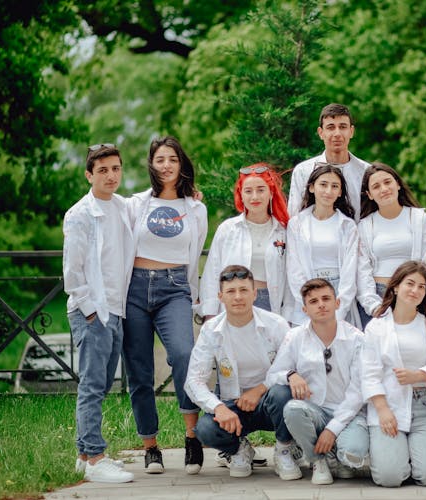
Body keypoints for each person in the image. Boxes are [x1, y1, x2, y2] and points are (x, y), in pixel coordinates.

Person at [123, 136, 208, 474]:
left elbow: (196, 249)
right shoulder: (135, 205)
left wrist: (196, 294)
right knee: (139, 370)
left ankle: (191, 438)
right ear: (151, 164)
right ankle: (151, 446)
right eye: (160, 159)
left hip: (174, 289)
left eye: (172, 159)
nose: (166, 165)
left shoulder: (195, 208)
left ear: (181, 164)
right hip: (135, 288)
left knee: (185, 355)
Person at [184, 265, 302, 480]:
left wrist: (259, 389)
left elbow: (292, 367)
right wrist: (218, 407)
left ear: (255, 293)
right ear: (221, 296)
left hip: (270, 402)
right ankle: (238, 449)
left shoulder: (275, 324)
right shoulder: (211, 330)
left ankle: (285, 449)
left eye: (244, 290)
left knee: (283, 393)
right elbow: (193, 380)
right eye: (230, 291)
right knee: (205, 429)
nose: (238, 297)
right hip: (234, 406)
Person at [63, 143, 134, 483]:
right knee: (92, 385)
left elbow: (154, 196)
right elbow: (72, 272)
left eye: (115, 168)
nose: (110, 175)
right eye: (102, 170)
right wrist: (91, 312)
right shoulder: (79, 214)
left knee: (104, 382)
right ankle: (95, 458)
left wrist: (187, 190)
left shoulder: (122, 207)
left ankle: (82, 455)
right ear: (89, 174)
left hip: (116, 310)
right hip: (92, 311)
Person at [268, 279, 368, 485]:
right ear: (305, 309)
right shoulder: (295, 336)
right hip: (315, 413)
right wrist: (290, 375)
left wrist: (333, 429)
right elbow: (272, 375)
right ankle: (318, 459)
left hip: (349, 414)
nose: (321, 304)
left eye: (326, 299)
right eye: (313, 301)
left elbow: (358, 391)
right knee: (293, 409)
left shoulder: (357, 338)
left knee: (353, 455)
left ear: (337, 303)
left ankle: (335, 452)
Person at [362, 261, 426, 487]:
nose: (415, 291)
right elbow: (369, 374)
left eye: (422, 287)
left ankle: (423, 453)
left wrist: (420, 375)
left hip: (423, 406)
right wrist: (382, 410)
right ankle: (400, 454)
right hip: (388, 404)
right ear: (394, 287)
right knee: (389, 478)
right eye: (410, 284)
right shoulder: (376, 327)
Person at [199, 163, 289, 321]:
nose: (255, 197)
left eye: (261, 190)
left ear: (271, 193)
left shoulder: (284, 232)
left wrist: (289, 318)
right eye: (248, 191)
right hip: (234, 304)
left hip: (272, 306)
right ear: (241, 195)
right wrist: (210, 315)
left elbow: (291, 281)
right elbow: (212, 274)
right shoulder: (228, 229)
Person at [357, 162, 426, 328]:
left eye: (388, 182)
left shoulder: (419, 218)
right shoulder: (364, 225)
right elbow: (362, 271)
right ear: (369, 194)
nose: (384, 189)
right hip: (378, 296)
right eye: (376, 186)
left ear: (398, 184)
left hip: (413, 294)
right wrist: (374, 307)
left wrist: (420, 298)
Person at [286, 164, 359, 326]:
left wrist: (338, 312)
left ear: (340, 192)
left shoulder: (348, 226)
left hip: (338, 297)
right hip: (307, 297)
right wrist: (310, 303)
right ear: (312, 187)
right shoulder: (296, 224)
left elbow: (350, 272)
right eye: (323, 184)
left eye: (334, 186)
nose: (328, 191)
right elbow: (294, 270)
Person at [287, 103, 370, 221]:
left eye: (342, 127)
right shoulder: (303, 171)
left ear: (351, 131)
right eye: (331, 127)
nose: (337, 134)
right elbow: (294, 217)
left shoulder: (366, 172)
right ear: (321, 133)